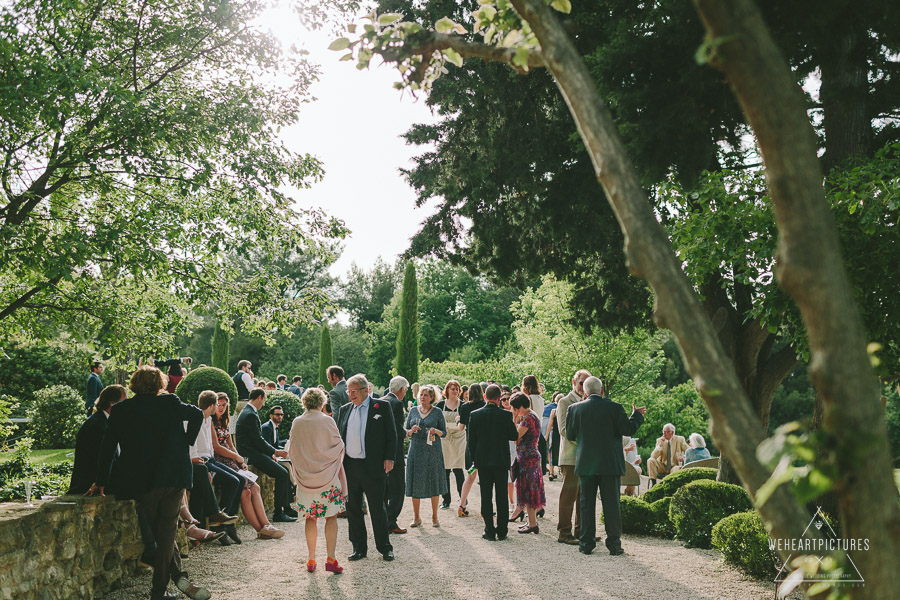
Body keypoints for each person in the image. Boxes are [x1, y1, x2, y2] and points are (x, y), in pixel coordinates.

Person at [88, 365, 210, 600]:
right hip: (174, 476)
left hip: (142, 479)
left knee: (163, 533)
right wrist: (186, 441)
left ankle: (170, 582)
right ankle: (164, 587)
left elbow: (107, 446)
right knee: (166, 533)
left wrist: (100, 480)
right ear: (159, 384)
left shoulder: (122, 409)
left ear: (134, 384)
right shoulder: (170, 403)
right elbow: (197, 414)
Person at [565, 376, 646, 556]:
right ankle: (614, 544)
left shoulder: (574, 409)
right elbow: (628, 430)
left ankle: (586, 543)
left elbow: (570, 434)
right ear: (601, 390)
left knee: (586, 503)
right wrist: (637, 416)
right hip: (610, 463)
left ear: (585, 392)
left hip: (586, 463)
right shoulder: (615, 408)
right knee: (611, 504)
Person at [336, 374, 397, 562]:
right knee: (353, 509)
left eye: (354, 391)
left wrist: (389, 458)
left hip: (373, 466)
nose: (351, 395)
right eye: (349, 391)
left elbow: (391, 435)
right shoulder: (345, 410)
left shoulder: (381, 406)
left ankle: (384, 547)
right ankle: (358, 547)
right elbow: (339, 437)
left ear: (365, 390)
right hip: (350, 467)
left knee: (378, 508)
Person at [288, 388, 347, 574]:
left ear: (304, 402)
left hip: (306, 478)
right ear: (322, 402)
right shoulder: (327, 420)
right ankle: (330, 558)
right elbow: (339, 446)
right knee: (331, 517)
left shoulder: (297, 422)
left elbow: (292, 450)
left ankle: (311, 559)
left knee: (310, 518)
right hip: (328, 477)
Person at [210, 393, 284, 540]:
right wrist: (236, 457)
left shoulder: (225, 421)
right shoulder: (210, 422)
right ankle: (260, 530)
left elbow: (231, 444)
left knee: (255, 487)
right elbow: (216, 447)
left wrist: (240, 460)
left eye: (224, 405)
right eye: (219, 404)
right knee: (246, 492)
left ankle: (266, 525)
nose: (221, 408)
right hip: (220, 460)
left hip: (231, 459)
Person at [191, 390, 247, 544]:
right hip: (203, 461)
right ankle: (219, 523)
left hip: (211, 460)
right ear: (211, 405)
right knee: (233, 481)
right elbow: (193, 446)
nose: (219, 408)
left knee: (240, 480)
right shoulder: (195, 418)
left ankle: (228, 524)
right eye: (217, 404)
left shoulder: (208, 420)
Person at [235, 388, 296, 522]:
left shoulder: (248, 411)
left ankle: (286, 507)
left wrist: (270, 454)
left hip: (253, 452)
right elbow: (258, 441)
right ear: (260, 397)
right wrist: (275, 452)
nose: (264, 403)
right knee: (282, 473)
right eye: (264, 400)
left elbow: (256, 440)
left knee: (284, 471)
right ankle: (278, 514)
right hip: (250, 455)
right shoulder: (250, 413)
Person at [467, 384, 518, 541]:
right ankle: (502, 530)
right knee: (502, 496)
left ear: (485, 397)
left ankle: (489, 530)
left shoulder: (475, 415)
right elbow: (513, 435)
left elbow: (471, 441)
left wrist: (474, 459)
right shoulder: (505, 415)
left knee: (486, 496)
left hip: (483, 461)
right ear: (498, 398)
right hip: (501, 460)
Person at [69, 385, 127, 494]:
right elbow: (101, 459)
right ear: (113, 404)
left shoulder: (104, 421)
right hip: (89, 488)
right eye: (124, 402)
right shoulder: (97, 425)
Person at [404, 385, 448, 528]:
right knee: (415, 481)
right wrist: (411, 431)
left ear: (432, 398)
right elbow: (405, 430)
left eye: (426, 395)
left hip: (432, 451)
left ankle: (435, 516)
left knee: (433, 481)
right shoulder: (413, 411)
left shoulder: (437, 412)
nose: (422, 397)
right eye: (421, 395)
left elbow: (445, 433)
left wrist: (436, 431)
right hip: (416, 450)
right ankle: (416, 517)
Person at [555, 369, 590, 545]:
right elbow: (563, 430)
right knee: (568, 495)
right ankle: (564, 532)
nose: (584, 387)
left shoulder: (589, 401)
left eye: (587, 383)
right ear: (573, 382)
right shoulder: (564, 402)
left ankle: (582, 530)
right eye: (581, 382)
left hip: (585, 457)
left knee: (583, 496)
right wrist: (587, 440)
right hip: (570, 456)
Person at [508, 393, 545, 534]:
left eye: (515, 408)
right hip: (530, 456)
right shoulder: (532, 416)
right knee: (530, 489)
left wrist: (514, 419)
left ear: (520, 407)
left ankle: (533, 524)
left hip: (528, 458)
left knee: (529, 490)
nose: (514, 410)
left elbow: (515, 437)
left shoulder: (528, 419)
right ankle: (530, 522)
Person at [383, 376, 409, 534]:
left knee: (385, 489)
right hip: (394, 452)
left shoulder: (380, 400)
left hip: (381, 452)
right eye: (405, 390)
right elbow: (397, 430)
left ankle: (385, 518)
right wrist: (407, 432)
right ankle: (391, 521)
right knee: (398, 489)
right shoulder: (397, 404)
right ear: (401, 389)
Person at [456, 382, 486, 516]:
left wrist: (458, 420)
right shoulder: (485, 406)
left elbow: (461, 428)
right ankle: (486, 508)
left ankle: (462, 505)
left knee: (470, 476)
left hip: (471, 446)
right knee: (486, 478)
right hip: (485, 445)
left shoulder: (465, 407)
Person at [436, 379, 466, 509]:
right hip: (445, 440)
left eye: (457, 389)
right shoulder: (440, 404)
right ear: (447, 390)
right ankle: (446, 499)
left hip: (459, 440)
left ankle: (463, 498)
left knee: (458, 470)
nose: (455, 391)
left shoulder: (463, 405)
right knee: (445, 470)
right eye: (452, 389)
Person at [546, 393, 563, 481]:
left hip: (554, 434)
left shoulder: (554, 411)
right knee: (561, 451)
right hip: (562, 434)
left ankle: (551, 473)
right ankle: (562, 472)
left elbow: (550, 424)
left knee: (552, 452)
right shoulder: (566, 410)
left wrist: (546, 435)